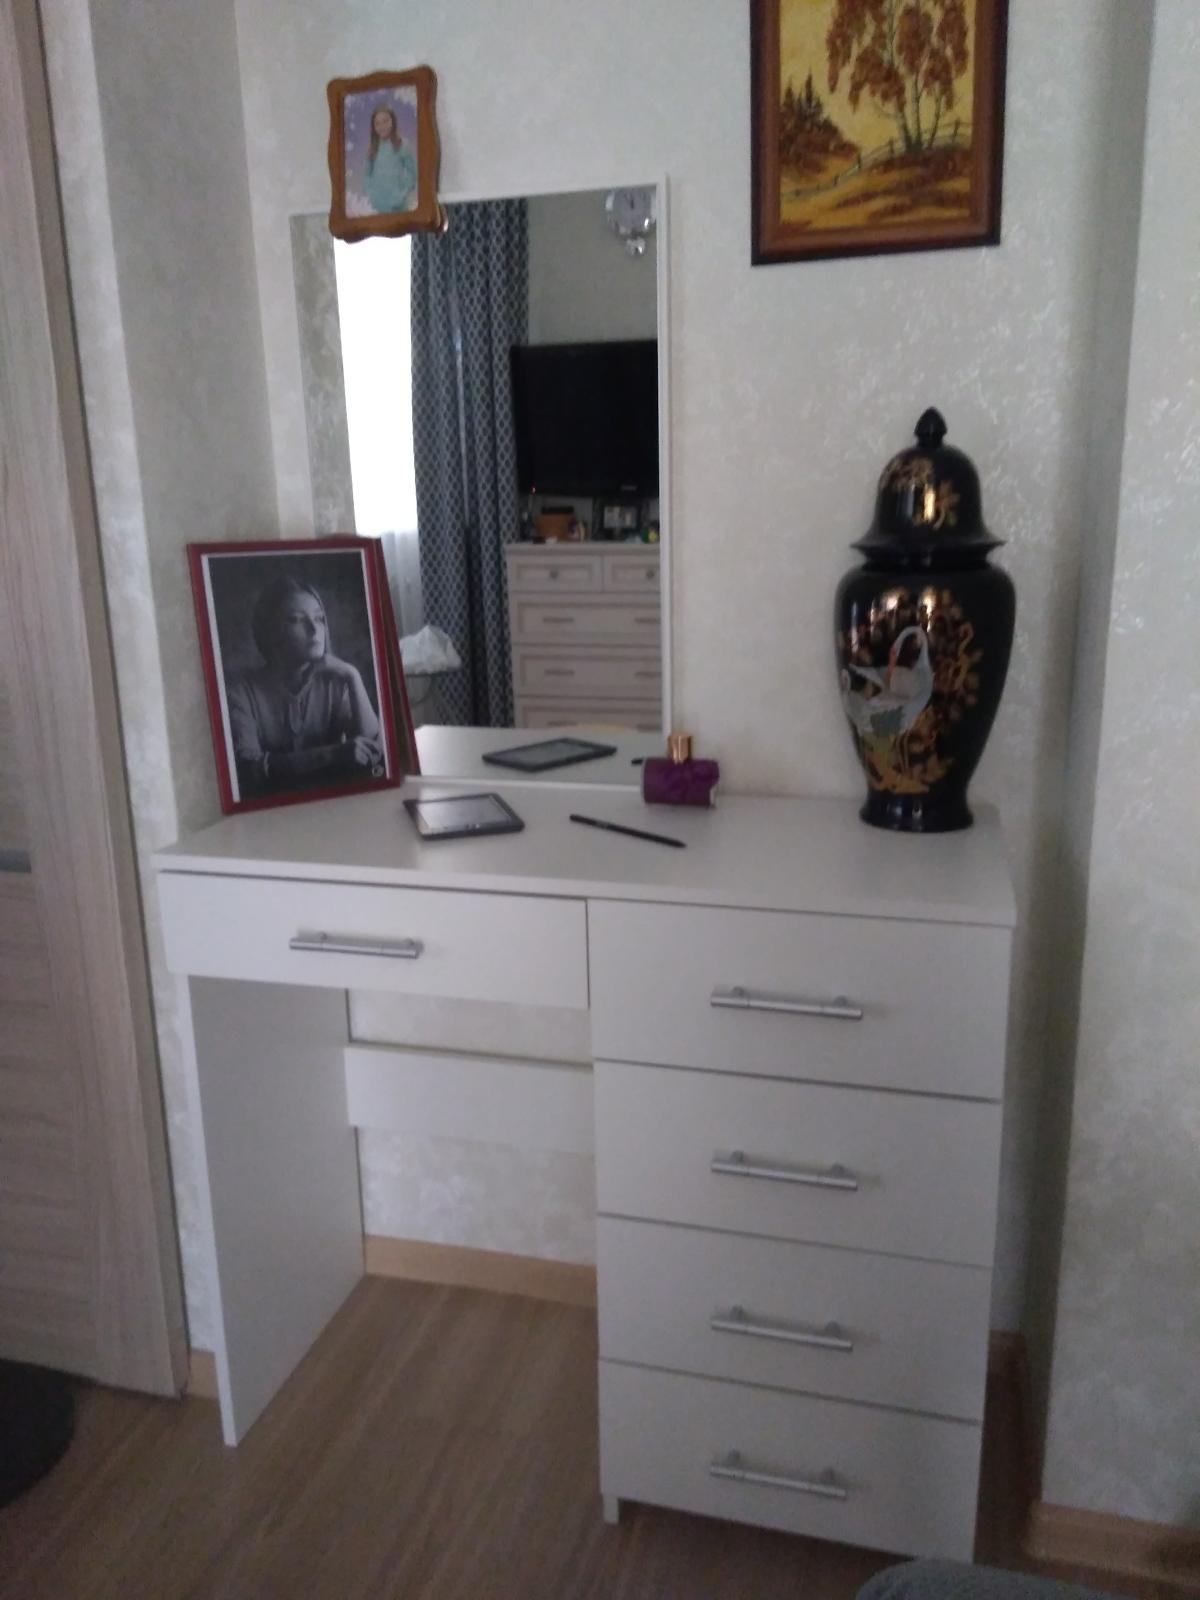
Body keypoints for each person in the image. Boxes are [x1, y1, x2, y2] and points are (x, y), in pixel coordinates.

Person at [226, 574, 384, 797]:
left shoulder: (335, 681)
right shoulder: (241, 691)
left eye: (319, 618)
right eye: (296, 620)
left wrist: (353, 675)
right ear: (270, 631)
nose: (313, 628)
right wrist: (332, 755)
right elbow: (248, 768)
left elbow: (371, 748)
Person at [364, 104, 416, 214]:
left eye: (385, 121)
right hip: (378, 207)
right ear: (373, 127)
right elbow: (366, 175)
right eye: (377, 123)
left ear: (393, 122)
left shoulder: (402, 145)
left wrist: (402, 194)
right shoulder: (372, 148)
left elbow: (412, 173)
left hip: (399, 206)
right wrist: (372, 195)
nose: (382, 126)